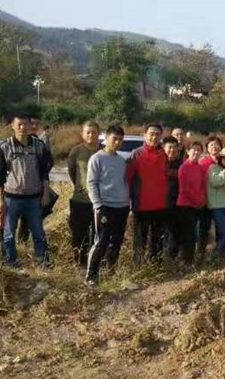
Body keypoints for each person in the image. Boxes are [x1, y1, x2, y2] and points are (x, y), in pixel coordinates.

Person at [0, 115, 52, 267]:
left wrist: (45, 193)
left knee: (38, 232)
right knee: (8, 233)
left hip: (33, 198)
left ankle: (42, 261)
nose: (23, 128)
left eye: (26, 124)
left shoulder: (38, 145)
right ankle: (10, 261)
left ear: (30, 126)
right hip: (12, 198)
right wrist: (0, 201)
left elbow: (45, 172)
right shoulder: (5, 147)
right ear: (12, 126)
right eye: (19, 124)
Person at [85, 125, 130, 287]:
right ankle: (91, 276)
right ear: (106, 138)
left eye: (120, 140)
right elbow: (91, 184)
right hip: (104, 206)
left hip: (122, 206)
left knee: (116, 242)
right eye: (114, 139)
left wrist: (127, 202)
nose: (117, 143)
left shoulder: (121, 160)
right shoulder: (97, 158)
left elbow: (124, 182)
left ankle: (110, 272)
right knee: (100, 242)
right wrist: (98, 205)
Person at [127, 123, 168, 264]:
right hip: (141, 206)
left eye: (157, 134)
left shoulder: (164, 155)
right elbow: (128, 179)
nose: (154, 137)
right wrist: (129, 203)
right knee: (140, 241)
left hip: (160, 206)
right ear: (145, 135)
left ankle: (156, 267)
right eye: (151, 134)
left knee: (157, 241)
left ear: (161, 136)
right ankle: (138, 268)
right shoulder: (136, 154)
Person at [67, 121, 100, 266]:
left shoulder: (103, 151)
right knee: (79, 234)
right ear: (82, 134)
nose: (91, 135)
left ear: (99, 134)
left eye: (94, 132)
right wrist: (80, 186)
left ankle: (94, 263)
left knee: (98, 235)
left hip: (99, 201)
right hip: (80, 200)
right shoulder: (76, 152)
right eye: (88, 132)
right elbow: (72, 172)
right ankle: (78, 263)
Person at [177, 142, 207, 265]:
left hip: (197, 204)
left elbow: (202, 185)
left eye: (198, 150)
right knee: (189, 235)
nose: (196, 152)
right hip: (186, 205)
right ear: (188, 151)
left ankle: (190, 259)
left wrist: (202, 199)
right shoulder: (184, 167)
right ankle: (186, 261)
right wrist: (197, 201)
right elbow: (184, 189)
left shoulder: (199, 167)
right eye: (193, 150)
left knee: (194, 235)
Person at [207, 147, 225, 261]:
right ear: (220, 158)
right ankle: (215, 256)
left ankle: (221, 257)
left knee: (223, 234)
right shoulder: (213, 168)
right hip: (217, 206)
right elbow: (216, 182)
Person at [197, 136, 223, 259]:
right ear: (207, 148)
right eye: (211, 145)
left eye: (217, 144)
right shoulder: (203, 163)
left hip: (220, 202)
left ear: (221, 147)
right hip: (205, 201)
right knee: (204, 228)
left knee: (220, 229)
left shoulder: (224, 162)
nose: (214, 147)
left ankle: (218, 255)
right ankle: (200, 254)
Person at [162, 135, 183, 259]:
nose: (172, 150)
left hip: (179, 205)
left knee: (176, 234)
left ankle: (172, 260)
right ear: (164, 148)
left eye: (175, 147)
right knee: (163, 233)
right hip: (161, 204)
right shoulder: (159, 163)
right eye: (169, 147)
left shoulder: (182, 164)